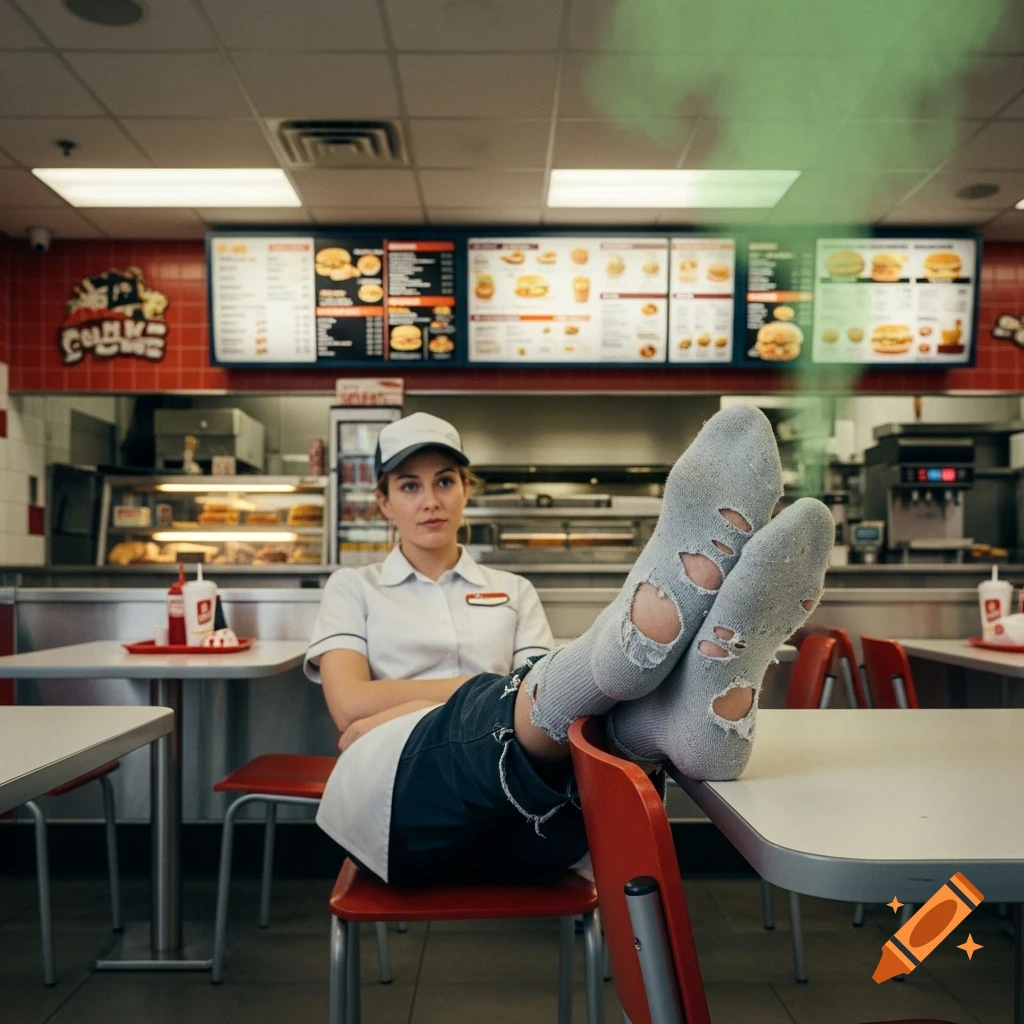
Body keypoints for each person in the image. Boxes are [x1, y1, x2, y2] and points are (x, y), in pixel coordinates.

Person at [307, 405, 834, 889]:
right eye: (408, 485)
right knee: (534, 700)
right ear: (383, 501)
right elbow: (349, 705)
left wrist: (396, 705)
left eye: (445, 481)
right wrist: (481, 692)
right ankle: (667, 720)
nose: (430, 500)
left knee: (554, 711)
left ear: (466, 489)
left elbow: (531, 695)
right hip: (404, 817)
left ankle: (647, 698)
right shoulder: (352, 587)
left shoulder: (514, 588)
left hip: (536, 826)